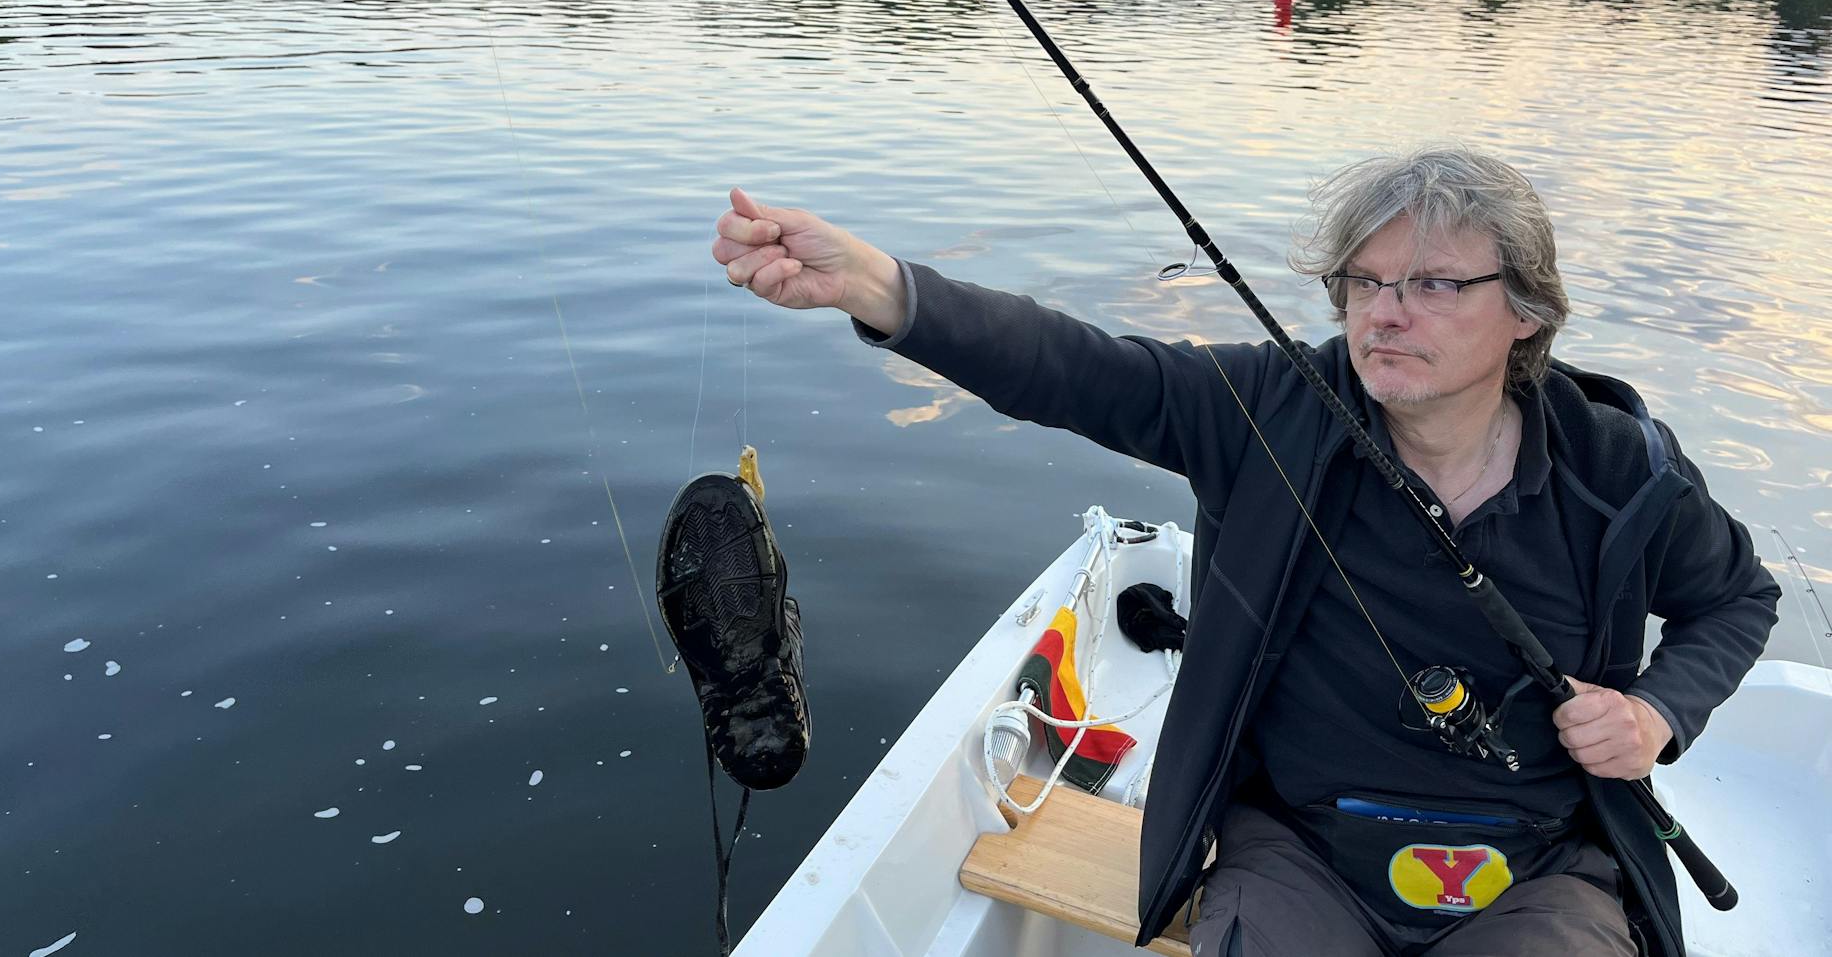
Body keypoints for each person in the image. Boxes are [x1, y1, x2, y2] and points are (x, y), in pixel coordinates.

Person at [710, 148, 1779, 957]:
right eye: (1362, 283)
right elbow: (1078, 369)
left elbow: (1733, 597)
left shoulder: (1617, 467)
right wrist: (879, 285)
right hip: (1299, 848)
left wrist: (1653, 712)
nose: (1384, 314)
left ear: (1526, 309)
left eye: (1431, 284)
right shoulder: (1271, 407)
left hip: (1540, 861)